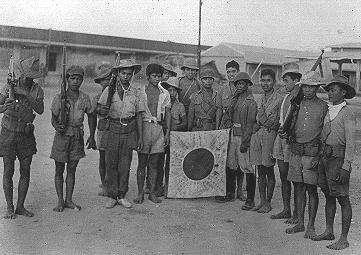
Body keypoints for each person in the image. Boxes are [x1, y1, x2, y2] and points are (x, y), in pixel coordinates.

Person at [312, 75, 356, 250]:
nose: (330, 93)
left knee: (343, 198)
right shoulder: (328, 110)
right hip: (325, 158)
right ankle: (328, 230)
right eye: (328, 90)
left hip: (339, 160)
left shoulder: (347, 113)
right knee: (328, 195)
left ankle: (343, 239)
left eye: (334, 90)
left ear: (343, 92)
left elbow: (351, 144)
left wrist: (346, 166)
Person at [285, 71, 328, 239]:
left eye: (311, 87)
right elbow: (290, 125)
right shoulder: (296, 104)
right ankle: (300, 222)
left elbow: (324, 133)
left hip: (312, 152)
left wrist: (319, 155)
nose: (308, 90)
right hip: (296, 150)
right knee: (298, 187)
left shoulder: (323, 106)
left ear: (317, 88)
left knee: (311, 190)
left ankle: (311, 226)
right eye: (305, 87)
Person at [0, 56, 44, 219]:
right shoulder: (9, 85)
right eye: (26, 75)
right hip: (8, 132)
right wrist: (5, 106)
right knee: (8, 170)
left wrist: (25, 93)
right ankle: (9, 208)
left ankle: (20, 207)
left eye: (31, 76)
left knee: (25, 169)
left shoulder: (37, 90)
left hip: (25, 133)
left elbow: (40, 109)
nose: (28, 78)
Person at [97, 59, 144, 208]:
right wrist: (102, 110)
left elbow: (139, 116)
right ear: (118, 73)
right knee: (111, 163)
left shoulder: (136, 92)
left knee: (125, 164)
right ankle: (112, 195)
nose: (126, 76)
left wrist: (140, 137)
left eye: (129, 74)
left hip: (129, 130)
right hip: (113, 128)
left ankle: (122, 195)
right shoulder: (109, 90)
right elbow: (99, 109)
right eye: (123, 73)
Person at [50, 65, 95, 212]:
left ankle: (69, 200)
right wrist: (57, 126)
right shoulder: (59, 98)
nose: (75, 81)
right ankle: (60, 201)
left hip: (77, 136)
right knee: (59, 169)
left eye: (79, 78)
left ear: (82, 80)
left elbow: (91, 115)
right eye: (72, 78)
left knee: (72, 169)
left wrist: (92, 135)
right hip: (62, 137)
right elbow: (53, 118)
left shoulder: (85, 98)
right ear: (67, 80)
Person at [134, 63, 171, 204]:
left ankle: (153, 193)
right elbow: (138, 115)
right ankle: (140, 193)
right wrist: (139, 136)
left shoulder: (164, 93)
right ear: (148, 77)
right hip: (145, 127)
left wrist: (167, 133)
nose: (157, 79)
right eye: (154, 76)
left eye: (159, 76)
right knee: (142, 163)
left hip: (159, 128)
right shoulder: (141, 92)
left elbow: (167, 113)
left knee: (155, 164)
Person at [271, 63, 303, 221]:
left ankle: (297, 214)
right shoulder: (285, 98)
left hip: (292, 141)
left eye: (287, 81)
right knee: (283, 176)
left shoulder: (301, 98)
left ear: (296, 81)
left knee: (295, 178)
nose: (284, 84)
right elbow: (282, 119)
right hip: (281, 139)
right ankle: (286, 209)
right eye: (283, 81)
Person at [221, 72, 257, 207]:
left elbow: (250, 124)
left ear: (248, 85)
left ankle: (250, 199)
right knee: (231, 164)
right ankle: (230, 193)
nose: (240, 86)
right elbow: (228, 116)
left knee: (247, 167)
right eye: (238, 84)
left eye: (243, 84)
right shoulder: (234, 99)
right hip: (232, 135)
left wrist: (246, 141)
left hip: (243, 136)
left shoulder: (250, 102)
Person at [250, 69, 283, 213]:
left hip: (270, 136)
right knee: (259, 170)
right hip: (258, 135)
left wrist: (263, 122)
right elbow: (256, 120)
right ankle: (262, 201)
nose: (265, 83)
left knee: (268, 169)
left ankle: (268, 202)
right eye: (262, 80)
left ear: (274, 82)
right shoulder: (259, 98)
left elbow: (275, 123)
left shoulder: (279, 99)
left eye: (268, 80)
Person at [219, 60, 246, 201]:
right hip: (226, 128)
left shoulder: (243, 88)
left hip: (239, 128)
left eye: (233, 71)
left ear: (238, 72)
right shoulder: (223, 89)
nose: (231, 74)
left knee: (240, 160)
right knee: (228, 162)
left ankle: (240, 191)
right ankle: (229, 191)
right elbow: (219, 109)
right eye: (228, 72)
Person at [159, 77, 187, 196]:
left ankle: (169, 186)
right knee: (159, 161)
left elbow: (185, 122)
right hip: (161, 134)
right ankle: (157, 186)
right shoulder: (161, 103)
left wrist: (175, 128)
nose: (171, 93)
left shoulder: (180, 106)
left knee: (171, 162)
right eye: (169, 90)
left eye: (174, 91)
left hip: (174, 136)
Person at [89, 67, 111, 196]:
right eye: (104, 80)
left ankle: (112, 183)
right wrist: (91, 136)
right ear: (100, 82)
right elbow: (91, 116)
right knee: (103, 158)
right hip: (103, 129)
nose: (107, 82)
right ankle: (104, 183)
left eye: (109, 79)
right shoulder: (97, 98)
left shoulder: (117, 96)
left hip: (115, 130)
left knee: (113, 159)